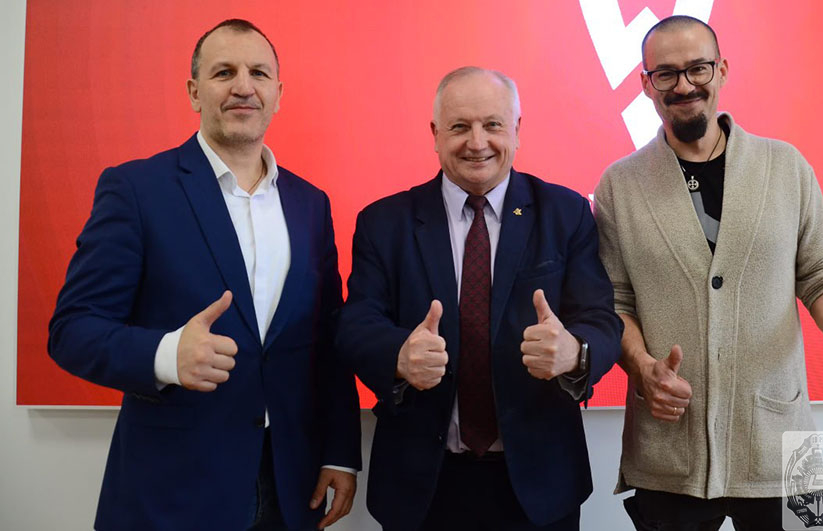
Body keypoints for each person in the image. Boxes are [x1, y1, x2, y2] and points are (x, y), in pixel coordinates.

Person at [47, 19, 360, 531]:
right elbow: (72, 330)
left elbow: (328, 338)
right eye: (224, 72)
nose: (243, 86)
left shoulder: (310, 203)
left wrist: (340, 452)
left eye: (258, 73)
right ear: (195, 92)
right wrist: (166, 355)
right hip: (172, 491)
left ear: (278, 94)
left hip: (290, 484)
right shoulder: (136, 189)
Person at [594, 15, 823, 530]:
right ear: (646, 84)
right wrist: (641, 367)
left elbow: (821, 271)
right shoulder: (620, 186)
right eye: (666, 74)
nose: (684, 85)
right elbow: (615, 302)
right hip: (668, 454)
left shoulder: (785, 167)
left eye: (698, 68)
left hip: (777, 446)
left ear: (721, 70)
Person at [337, 66, 623, 531]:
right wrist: (398, 355)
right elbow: (356, 325)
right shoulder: (384, 222)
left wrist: (575, 351)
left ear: (516, 130)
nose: (477, 142)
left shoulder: (566, 212)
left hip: (541, 485)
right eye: (459, 126)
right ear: (435, 134)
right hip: (421, 487)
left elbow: (601, 318)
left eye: (492, 124)